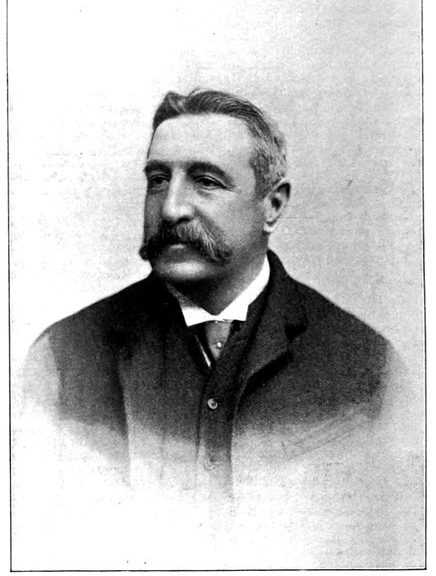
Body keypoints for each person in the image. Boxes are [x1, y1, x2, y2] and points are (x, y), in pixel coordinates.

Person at [14, 89, 421, 569]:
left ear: (272, 205)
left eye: (205, 181)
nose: (171, 209)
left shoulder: (368, 367)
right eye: (158, 180)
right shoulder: (62, 358)